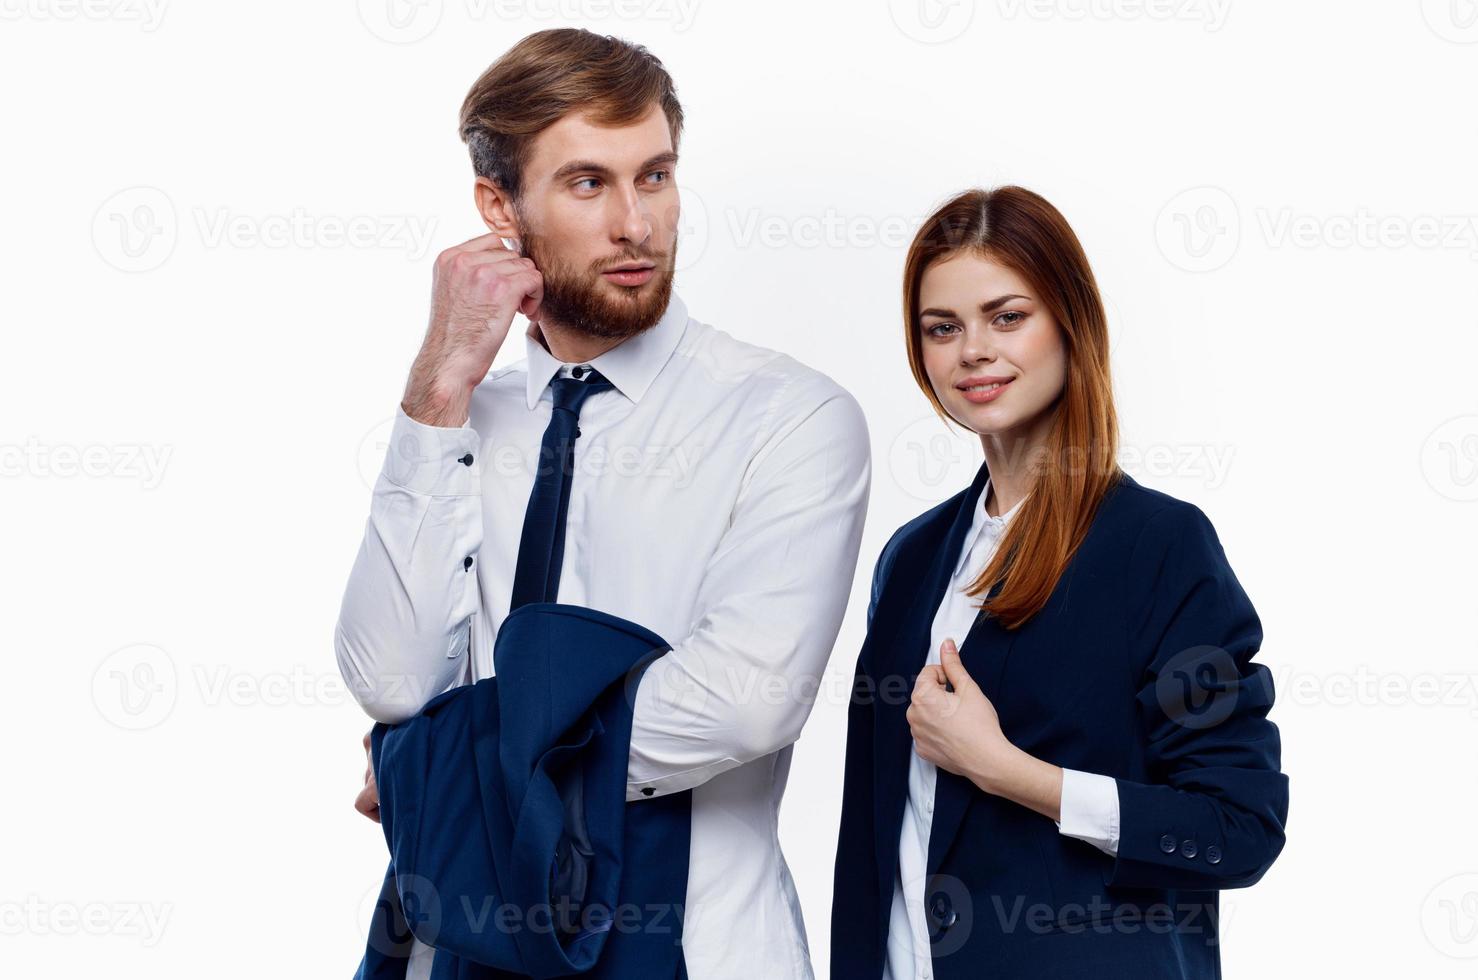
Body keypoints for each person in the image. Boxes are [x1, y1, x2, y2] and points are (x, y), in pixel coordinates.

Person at [334, 29, 871, 980]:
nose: (637, 224)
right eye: (589, 184)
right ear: (500, 208)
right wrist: (436, 389)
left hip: (695, 948)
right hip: (452, 947)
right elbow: (390, 680)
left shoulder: (789, 417)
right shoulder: (460, 417)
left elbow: (743, 704)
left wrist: (441, 765)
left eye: (655, 176)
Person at [831, 186, 1288, 979]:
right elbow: (881, 837)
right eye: (944, 327)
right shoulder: (912, 559)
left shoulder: (1160, 546)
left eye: (1007, 316)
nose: (972, 350)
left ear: (1070, 324)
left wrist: (1008, 770)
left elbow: (1238, 827)